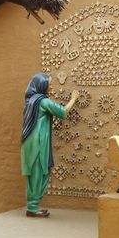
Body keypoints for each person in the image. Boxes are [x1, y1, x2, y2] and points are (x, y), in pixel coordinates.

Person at [21, 73, 79, 217]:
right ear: (41, 85)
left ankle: (33, 205)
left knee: (34, 173)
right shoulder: (42, 102)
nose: (50, 87)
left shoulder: (30, 101)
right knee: (39, 173)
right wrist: (74, 98)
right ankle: (32, 207)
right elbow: (63, 112)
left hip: (30, 142)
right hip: (38, 143)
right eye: (48, 84)